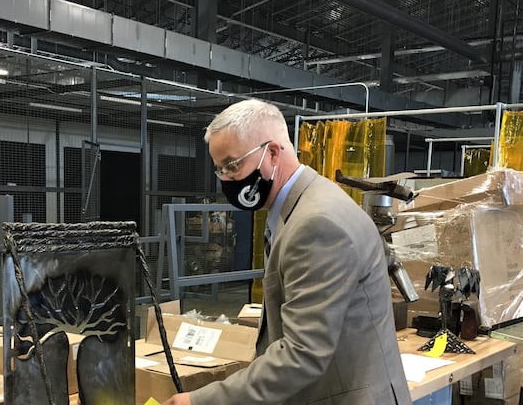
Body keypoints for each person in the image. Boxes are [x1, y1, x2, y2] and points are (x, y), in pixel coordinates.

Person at [162, 99, 412, 405]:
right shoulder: (297, 208)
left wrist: (200, 402)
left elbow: (302, 353)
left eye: (233, 165)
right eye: (220, 170)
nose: (227, 179)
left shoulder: (317, 223)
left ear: (273, 152)